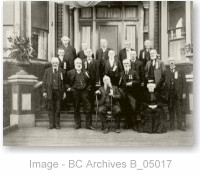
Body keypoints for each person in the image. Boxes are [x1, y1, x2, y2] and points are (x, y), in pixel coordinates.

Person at [66, 58, 94, 130]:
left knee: (88, 107)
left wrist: (88, 89)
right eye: (77, 63)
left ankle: (88, 125)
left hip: (84, 91)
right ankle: (78, 124)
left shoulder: (86, 72)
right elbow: (66, 83)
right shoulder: (70, 72)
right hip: (75, 91)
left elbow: (90, 82)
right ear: (74, 64)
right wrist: (70, 88)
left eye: (80, 63)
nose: (79, 64)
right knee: (76, 108)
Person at [42, 57, 66, 129]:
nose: (55, 64)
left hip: (58, 92)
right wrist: (44, 91)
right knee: (50, 109)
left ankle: (57, 124)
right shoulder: (47, 71)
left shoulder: (62, 71)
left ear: (58, 63)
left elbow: (64, 83)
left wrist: (64, 92)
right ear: (51, 63)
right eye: (53, 63)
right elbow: (44, 82)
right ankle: (51, 124)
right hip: (50, 92)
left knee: (58, 109)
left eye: (56, 62)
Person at [164, 57, 186, 131]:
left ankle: (180, 126)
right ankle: (172, 126)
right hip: (170, 93)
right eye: (170, 61)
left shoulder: (180, 71)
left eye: (172, 60)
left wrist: (184, 92)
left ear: (175, 62)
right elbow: (162, 81)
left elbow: (184, 83)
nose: (171, 62)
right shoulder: (166, 71)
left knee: (179, 109)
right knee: (171, 109)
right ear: (168, 62)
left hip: (178, 93)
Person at [119, 59, 139, 130]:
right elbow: (119, 84)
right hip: (124, 94)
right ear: (123, 65)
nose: (126, 65)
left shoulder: (134, 72)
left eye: (127, 63)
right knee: (125, 109)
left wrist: (132, 83)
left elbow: (138, 81)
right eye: (124, 64)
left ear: (130, 64)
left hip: (132, 94)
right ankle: (127, 124)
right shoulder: (121, 73)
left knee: (133, 109)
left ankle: (134, 125)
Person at [82, 49, 98, 114]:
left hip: (93, 81)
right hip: (85, 81)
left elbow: (97, 72)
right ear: (85, 53)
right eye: (87, 52)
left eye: (90, 52)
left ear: (92, 53)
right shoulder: (83, 61)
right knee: (85, 96)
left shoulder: (95, 61)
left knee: (92, 96)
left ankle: (92, 109)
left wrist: (97, 81)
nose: (88, 53)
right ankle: (85, 109)